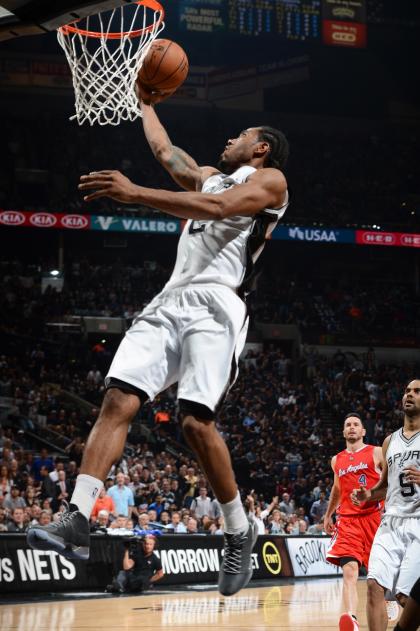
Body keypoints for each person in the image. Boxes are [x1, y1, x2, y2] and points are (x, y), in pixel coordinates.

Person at [27, 89, 289, 597]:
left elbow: (216, 207)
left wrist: (136, 194)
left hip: (217, 305)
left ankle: (239, 529)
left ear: (262, 148)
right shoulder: (210, 173)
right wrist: (144, 101)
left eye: (243, 136)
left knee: (194, 422)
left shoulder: (271, 181)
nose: (230, 138)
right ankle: (78, 514)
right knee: (118, 398)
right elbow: (167, 153)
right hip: (171, 299)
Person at [352, 380, 420, 631]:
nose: (409, 395)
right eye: (407, 391)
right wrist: (367, 494)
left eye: (417, 391)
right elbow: (384, 486)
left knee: (407, 598)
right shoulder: (390, 441)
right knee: (373, 586)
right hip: (390, 521)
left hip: (419, 523)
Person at [324, 412, 383, 631]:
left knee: (377, 578)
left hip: (374, 519)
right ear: (343, 431)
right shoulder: (336, 460)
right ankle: (351, 619)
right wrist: (329, 513)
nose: (351, 427)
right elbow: (337, 489)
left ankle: (390, 597)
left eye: (356, 424)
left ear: (363, 431)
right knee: (349, 570)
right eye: (347, 424)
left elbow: (390, 480)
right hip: (348, 521)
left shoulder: (376, 453)